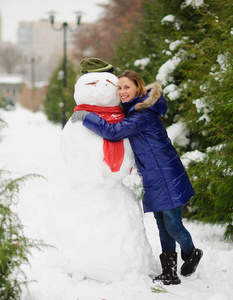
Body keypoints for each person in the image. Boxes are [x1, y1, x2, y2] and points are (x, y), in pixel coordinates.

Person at [72, 69, 203, 285]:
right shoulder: (133, 111)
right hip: (153, 176)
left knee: (173, 225)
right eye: (120, 88)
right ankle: (169, 272)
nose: (122, 92)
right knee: (162, 225)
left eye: (127, 87)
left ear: (138, 88)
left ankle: (191, 253)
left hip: (167, 174)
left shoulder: (142, 114)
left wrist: (88, 117)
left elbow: (113, 132)